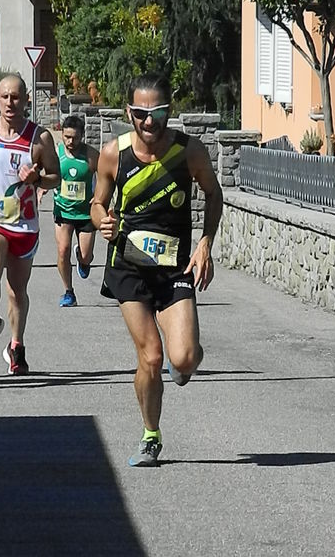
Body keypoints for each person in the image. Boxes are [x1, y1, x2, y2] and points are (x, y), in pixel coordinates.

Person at [91, 72, 223, 467]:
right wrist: (102, 221)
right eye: (140, 114)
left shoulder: (189, 152)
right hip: (128, 267)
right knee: (150, 357)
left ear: (169, 112)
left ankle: (183, 363)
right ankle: (151, 435)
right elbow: (97, 203)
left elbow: (214, 194)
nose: (149, 122)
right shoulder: (114, 153)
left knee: (182, 359)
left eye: (158, 113)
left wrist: (205, 243)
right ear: (129, 112)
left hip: (175, 267)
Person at [0, 75, 60, 375]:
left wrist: (38, 179)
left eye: (16, 97)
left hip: (24, 224)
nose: (10, 103)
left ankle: (16, 346)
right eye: (5, 97)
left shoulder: (39, 139)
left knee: (17, 291)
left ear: (26, 100)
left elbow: (56, 177)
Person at [51, 115, 99, 307]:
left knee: (87, 257)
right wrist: (41, 189)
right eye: (67, 137)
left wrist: (100, 197)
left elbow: (106, 177)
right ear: (62, 134)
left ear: (82, 136)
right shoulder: (57, 153)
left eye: (75, 138)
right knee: (63, 251)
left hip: (86, 212)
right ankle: (68, 292)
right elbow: (48, 174)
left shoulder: (92, 155)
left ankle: (83, 258)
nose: (71, 142)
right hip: (63, 210)